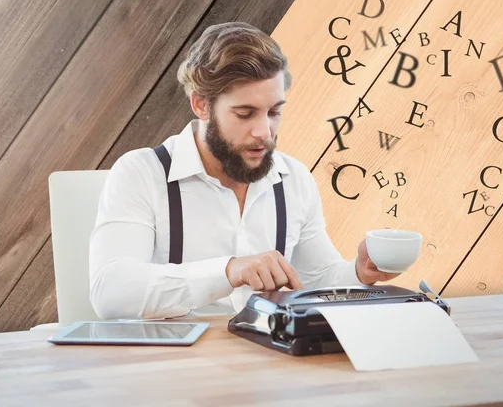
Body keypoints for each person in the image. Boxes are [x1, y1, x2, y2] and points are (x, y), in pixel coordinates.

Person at [88, 22, 400, 320]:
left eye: (274, 112)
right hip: (174, 366)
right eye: (245, 113)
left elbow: (316, 280)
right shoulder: (141, 173)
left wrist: (358, 272)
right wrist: (227, 271)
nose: (265, 131)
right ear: (201, 105)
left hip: (269, 360)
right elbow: (110, 292)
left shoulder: (294, 180)